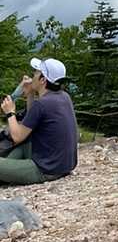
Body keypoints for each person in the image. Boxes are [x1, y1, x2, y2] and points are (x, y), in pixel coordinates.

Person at [0, 57, 78, 186]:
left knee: (16, 145)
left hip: (45, 169)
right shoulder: (64, 96)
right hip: (63, 164)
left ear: (43, 80)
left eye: (36, 73)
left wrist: (10, 113)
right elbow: (31, 122)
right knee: (15, 152)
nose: (33, 75)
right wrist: (30, 94)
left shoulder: (42, 104)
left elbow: (17, 137)